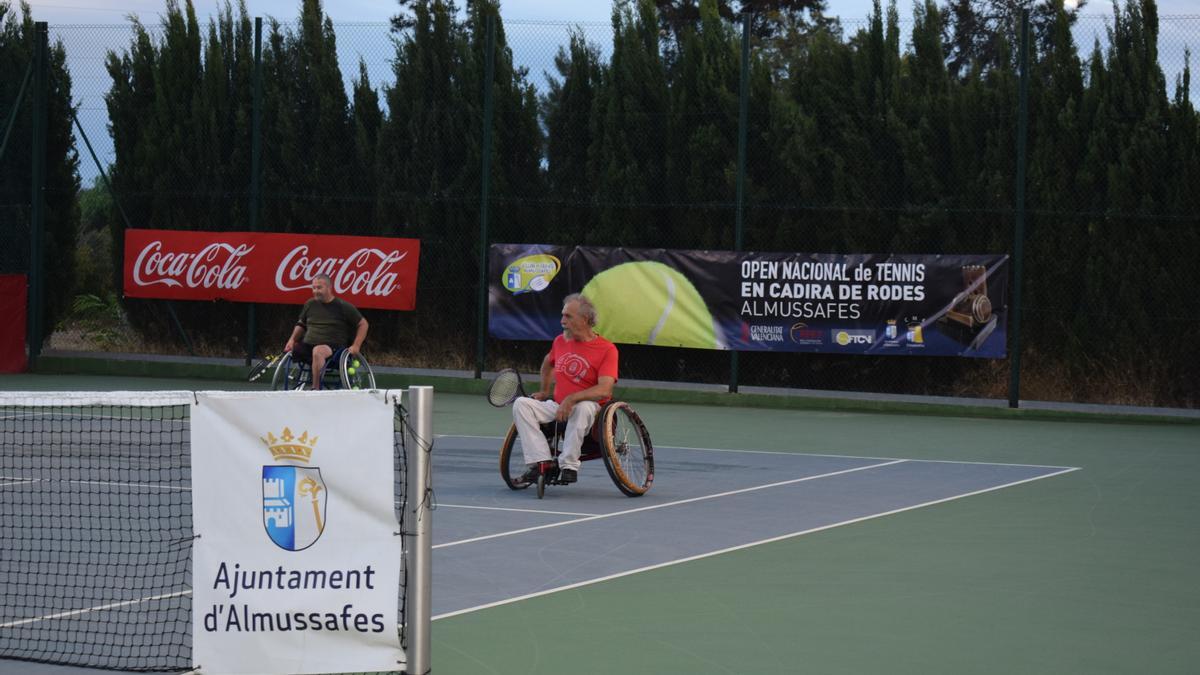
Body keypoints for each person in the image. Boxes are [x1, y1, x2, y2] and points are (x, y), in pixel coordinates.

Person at [512, 293, 618, 485]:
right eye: (562, 315)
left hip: (591, 411)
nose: (562, 321)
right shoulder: (560, 341)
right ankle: (541, 461)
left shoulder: (607, 349)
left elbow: (604, 389)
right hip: (558, 405)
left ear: (584, 319)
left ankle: (569, 464)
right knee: (521, 404)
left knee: (582, 406)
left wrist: (572, 399)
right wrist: (544, 391)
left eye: (568, 316)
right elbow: (547, 362)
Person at [284, 274, 368, 390]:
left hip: (333, 349)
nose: (316, 291)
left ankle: (315, 390)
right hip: (309, 345)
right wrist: (292, 340)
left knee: (318, 351)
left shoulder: (342, 306)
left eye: (319, 288)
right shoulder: (310, 304)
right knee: (297, 350)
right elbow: (301, 324)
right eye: (314, 288)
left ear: (329, 288)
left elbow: (363, 324)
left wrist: (356, 345)